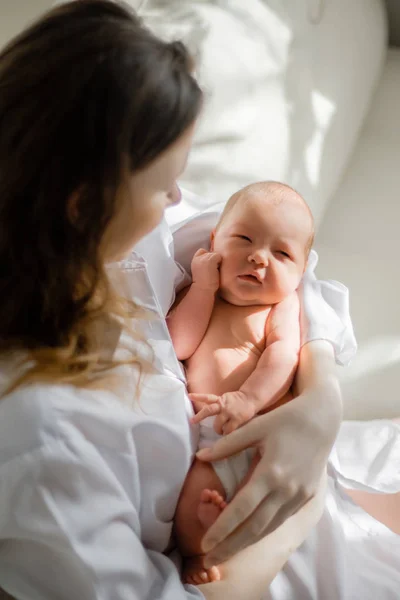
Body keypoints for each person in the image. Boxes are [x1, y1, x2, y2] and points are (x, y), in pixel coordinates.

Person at [0, 2, 398, 600]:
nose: (181, 195)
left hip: (304, 453)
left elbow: (292, 261)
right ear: (86, 205)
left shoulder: (137, 243)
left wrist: (319, 399)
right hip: (259, 553)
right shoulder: (46, 441)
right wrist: (302, 513)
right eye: (165, 185)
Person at [168, 181, 315, 583]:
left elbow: (282, 354)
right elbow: (179, 343)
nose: (257, 257)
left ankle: (226, 544)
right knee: (191, 501)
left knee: (263, 498)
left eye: (281, 253)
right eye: (244, 239)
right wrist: (203, 287)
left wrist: (248, 399)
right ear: (216, 241)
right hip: (209, 436)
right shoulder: (204, 296)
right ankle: (198, 554)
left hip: (257, 431)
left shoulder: (282, 306)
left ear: (301, 272)